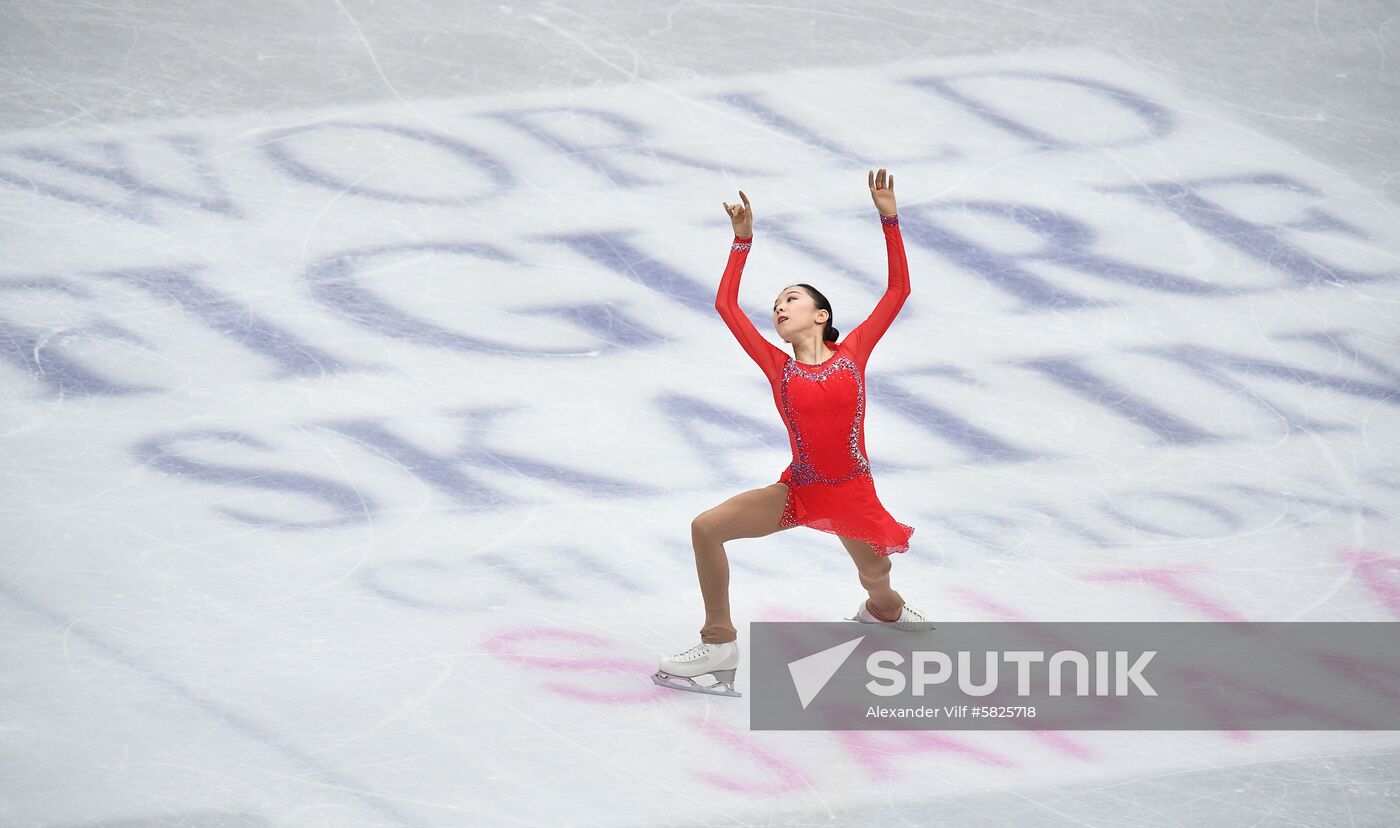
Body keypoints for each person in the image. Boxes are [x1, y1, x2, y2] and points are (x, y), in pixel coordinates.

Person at [652, 168, 933, 699]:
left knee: (878, 582)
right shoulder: (779, 368)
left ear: (821, 315)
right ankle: (718, 645)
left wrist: (889, 219)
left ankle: (882, 613)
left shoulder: (854, 352)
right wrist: (742, 242)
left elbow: (898, 290)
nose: (780, 307)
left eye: (792, 299)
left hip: (851, 493)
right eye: (778, 302)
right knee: (707, 527)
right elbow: (726, 308)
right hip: (800, 490)